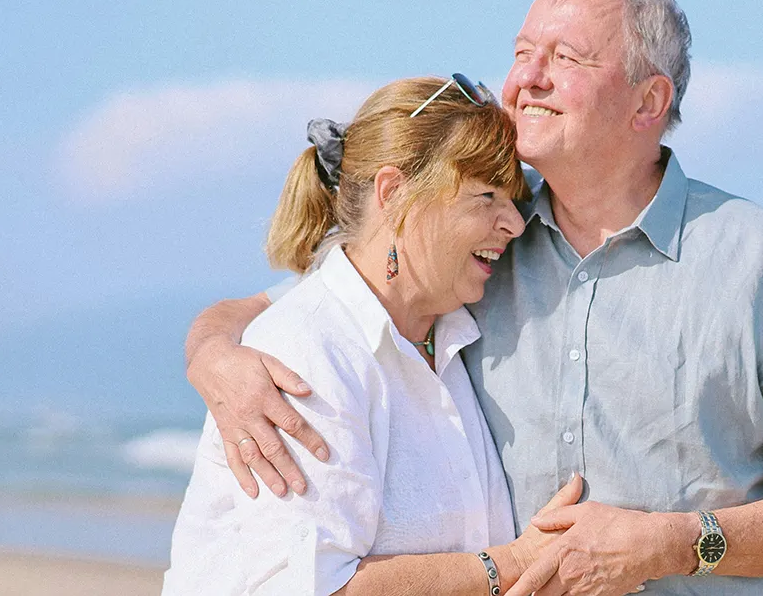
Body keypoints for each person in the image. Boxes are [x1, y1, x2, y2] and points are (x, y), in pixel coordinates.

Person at [184, 0, 763, 596]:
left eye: (565, 57)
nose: (525, 80)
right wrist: (215, 358)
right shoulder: (473, 235)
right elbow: (305, 310)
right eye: (523, 54)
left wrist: (673, 542)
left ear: (648, 102)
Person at [165, 76, 581, 596]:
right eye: (486, 195)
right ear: (394, 193)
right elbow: (316, 588)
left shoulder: (448, 334)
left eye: (514, 200)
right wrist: (512, 563)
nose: (515, 226)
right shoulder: (306, 350)